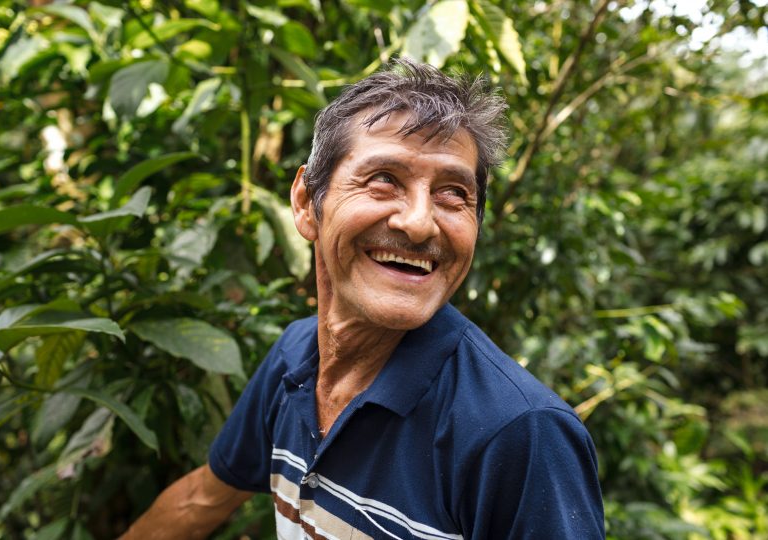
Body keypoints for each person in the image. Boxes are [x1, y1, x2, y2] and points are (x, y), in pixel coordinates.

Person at [121, 58, 604, 540]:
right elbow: (201, 499)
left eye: (453, 193)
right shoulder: (296, 357)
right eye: (384, 180)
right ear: (306, 203)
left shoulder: (521, 432)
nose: (419, 223)